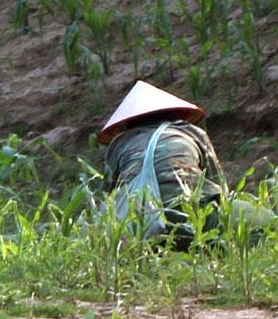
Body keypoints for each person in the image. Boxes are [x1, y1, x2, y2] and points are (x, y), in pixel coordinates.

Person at [96, 79, 225, 246]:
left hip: (142, 223)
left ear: (128, 123)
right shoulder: (191, 133)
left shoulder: (120, 144)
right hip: (193, 215)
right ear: (174, 114)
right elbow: (219, 185)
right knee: (250, 219)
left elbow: (107, 199)